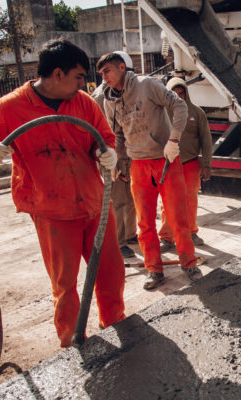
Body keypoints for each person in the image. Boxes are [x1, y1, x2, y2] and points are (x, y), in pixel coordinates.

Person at [0, 39, 126, 348]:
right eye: (79, 76)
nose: (84, 84)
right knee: (65, 285)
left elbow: (103, 135)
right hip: (53, 211)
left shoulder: (83, 103)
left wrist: (107, 152)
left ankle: (115, 322)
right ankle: (72, 341)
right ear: (58, 73)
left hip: (93, 204)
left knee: (111, 273)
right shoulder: (11, 107)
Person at [96, 52, 202, 291]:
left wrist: (174, 140)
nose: (104, 78)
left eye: (107, 72)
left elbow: (179, 105)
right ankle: (154, 269)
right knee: (144, 223)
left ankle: (189, 263)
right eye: (101, 74)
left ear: (122, 67)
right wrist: (117, 162)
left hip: (165, 160)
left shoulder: (147, 85)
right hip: (138, 165)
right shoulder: (109, 100)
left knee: (177, 217)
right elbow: (119, 135)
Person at [91, 52, 139, 260]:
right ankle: (119, 242)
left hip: (128, 153)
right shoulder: (103, 96)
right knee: (118, 200)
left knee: (130, 198)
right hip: (113, 155)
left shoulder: (125, 92)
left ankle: (130, 234)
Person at [158, 77, 213, 250]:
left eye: (181, 92)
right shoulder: (161, 113)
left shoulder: (197, 113)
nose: (178, 96)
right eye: (175, 93)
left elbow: (206, 139)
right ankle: (167, 237)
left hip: (190, 164)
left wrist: (206, 164)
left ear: (186, 93)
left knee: (190, 199)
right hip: (168, 164)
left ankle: (190, 232)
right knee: (168, 201)